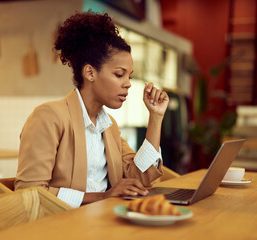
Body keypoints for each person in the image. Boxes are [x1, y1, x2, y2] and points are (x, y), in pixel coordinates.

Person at [15, 11, 169, 208]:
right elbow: (29, 193)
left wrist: (155, 117)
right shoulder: (49, 117)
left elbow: (140, 178)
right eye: (119, 74)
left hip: (103, 223)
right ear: (90, 73)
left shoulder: (109, 126)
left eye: (129, 76)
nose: (127, 84)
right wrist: (103, 197)